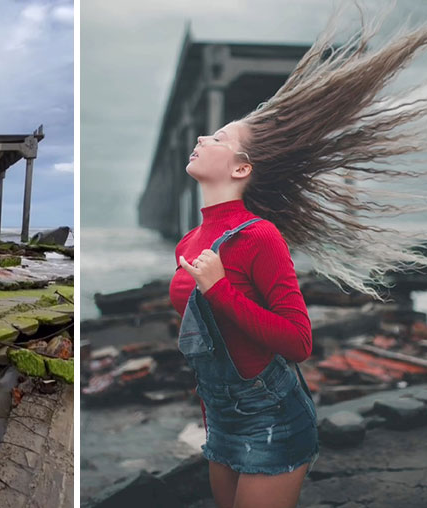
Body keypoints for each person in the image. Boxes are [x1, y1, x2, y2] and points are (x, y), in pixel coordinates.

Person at [169, 3, 427, 508]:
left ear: (242, 170)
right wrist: (210, 413)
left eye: (219, 137)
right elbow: (207, 351)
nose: (202, 136)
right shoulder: (188, 242)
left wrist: (219, 289)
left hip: (272, 421)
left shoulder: (259, 237)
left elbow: (298, 342)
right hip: (219, 419)